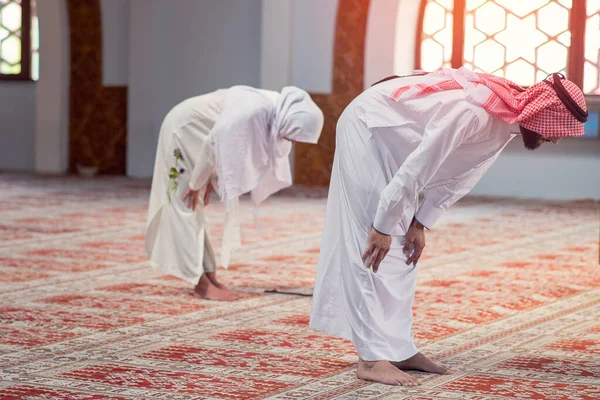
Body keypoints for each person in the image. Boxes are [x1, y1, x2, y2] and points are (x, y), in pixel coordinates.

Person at [310, 68, 588, 386]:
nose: (554, 138)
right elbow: (421, 164)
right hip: (368, 127)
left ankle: (398, 348)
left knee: (402, 251)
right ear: (541, 113)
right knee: (368, 242)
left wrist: (420, 222)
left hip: (395, 142)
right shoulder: (473, 111)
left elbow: (461, 174)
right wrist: (383, 225)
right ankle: (371, 360)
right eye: (556, 129)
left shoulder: (503, 118)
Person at [145, 86, 324, 301]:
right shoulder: (254, 111)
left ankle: (207, 274)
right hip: (185, 129)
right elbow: (214, 141)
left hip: (200, 135)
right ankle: (199, 282)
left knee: (194, 204)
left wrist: (208, 176)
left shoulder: (271, 109)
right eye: (293, 137)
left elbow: (227, 143)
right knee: (184, 203)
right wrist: (196, 182)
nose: (291, 142)